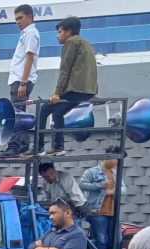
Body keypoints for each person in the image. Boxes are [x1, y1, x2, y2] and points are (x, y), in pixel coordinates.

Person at [37, 16, 97, 156]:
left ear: (68, 31)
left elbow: (65, 69)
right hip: (87, 91)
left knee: (44, 110)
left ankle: (38, 147)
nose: (57, 36)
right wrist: (94, 92)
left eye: (59, 32)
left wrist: (57, 93)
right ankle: (58, 147)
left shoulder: (70, 42)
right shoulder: (87, 44)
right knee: (58, 113)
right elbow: (93, 68)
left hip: (75, 89)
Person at [0, 4, 41, 158]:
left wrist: (23, 83)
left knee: (16, 114)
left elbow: (29, 57)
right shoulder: (25, 33)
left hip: (22, 81)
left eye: (20, 18)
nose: (18, 22)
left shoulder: (31, 33)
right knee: (17, 113)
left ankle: (16, 146)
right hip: (18, 80)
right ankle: (19, 146)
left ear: (30, 17)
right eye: (16, 19)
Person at [80, 146, 128, 249]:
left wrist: (111, 192)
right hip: (97, 212)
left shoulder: (116, 174)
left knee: (116, 238)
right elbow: (82, 185)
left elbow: (124, 190)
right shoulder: (92, 171)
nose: (117, 162)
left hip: (113, 212)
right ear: (110, 157)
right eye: (117, 159)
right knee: (101, 240)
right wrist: (100, 186)